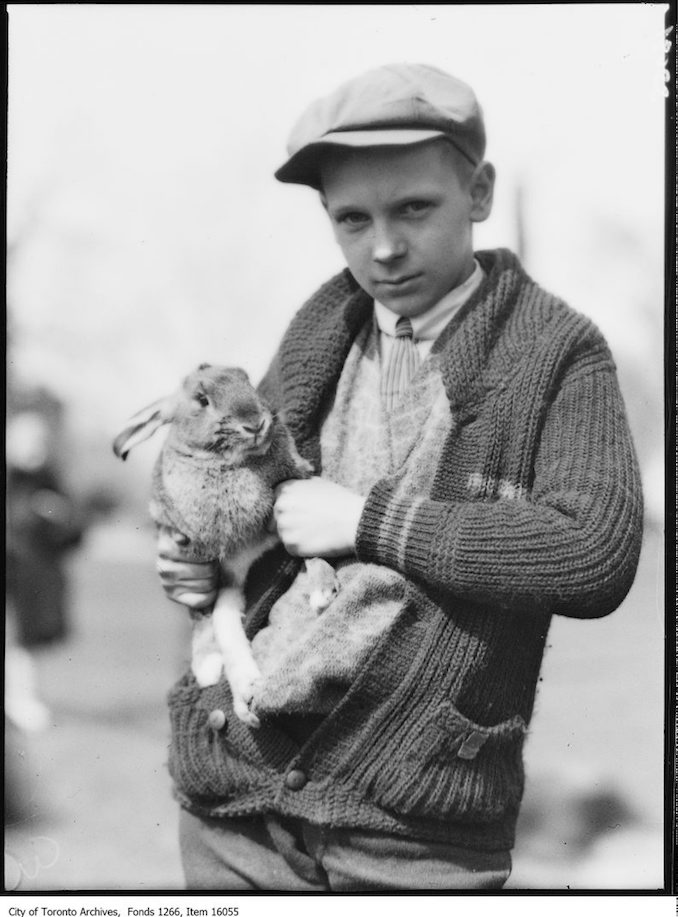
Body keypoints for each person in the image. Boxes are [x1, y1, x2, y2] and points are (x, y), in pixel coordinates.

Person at [156, 63, 643, 891]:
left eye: (414, 207)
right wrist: (191, 555)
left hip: (413, 829)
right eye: (352, 219)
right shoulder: (322, 326)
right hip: (237, 811)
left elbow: (593, 554)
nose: (382, 247)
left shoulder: (556, 350)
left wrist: (368, 521)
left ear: (479, 192)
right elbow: (236, 497)